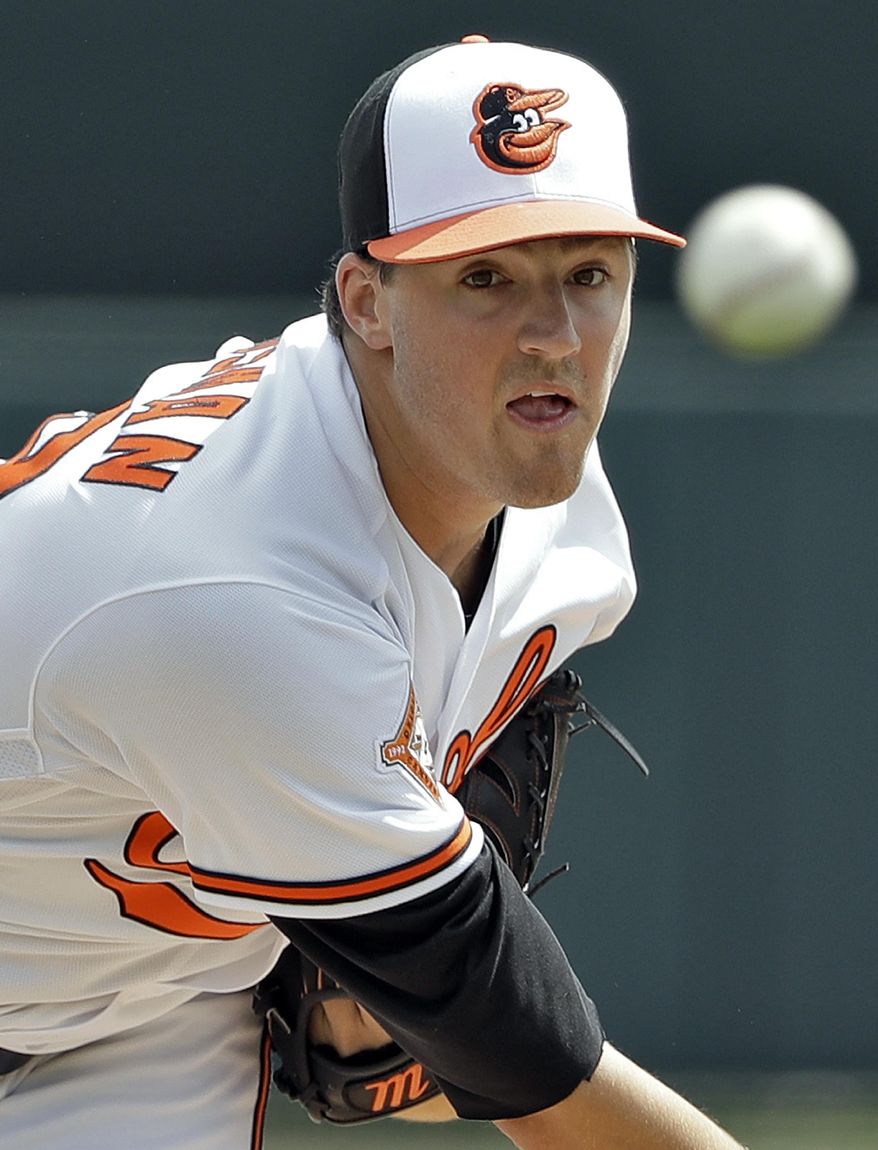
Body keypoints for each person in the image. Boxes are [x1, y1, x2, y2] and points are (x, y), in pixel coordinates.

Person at [0, 34, 746, 1150]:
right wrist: (422, 968)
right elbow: (533, 1067)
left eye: (588, 274)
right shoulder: (241, 590)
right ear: (365, 300)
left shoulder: (526, 476)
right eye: (483, 278)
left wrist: (373, 932)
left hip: (136, 1007)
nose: (553, 337)